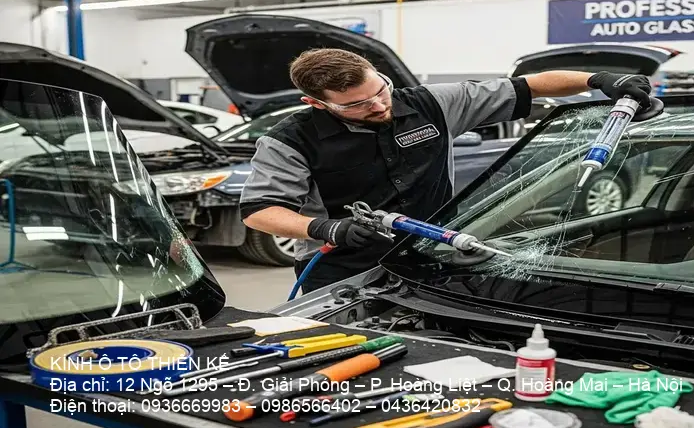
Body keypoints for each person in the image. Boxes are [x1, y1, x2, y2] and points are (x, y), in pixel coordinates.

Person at [239, 48, 652, 293]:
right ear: (317, 104)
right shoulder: (290, 139)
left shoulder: (432, 104)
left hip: (435, 253)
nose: (381, 105)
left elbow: (532, 85)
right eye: (358, 105)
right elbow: (259, 211)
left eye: (380, 89)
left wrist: (601, 79)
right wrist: (327, 229)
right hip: (341, 269)